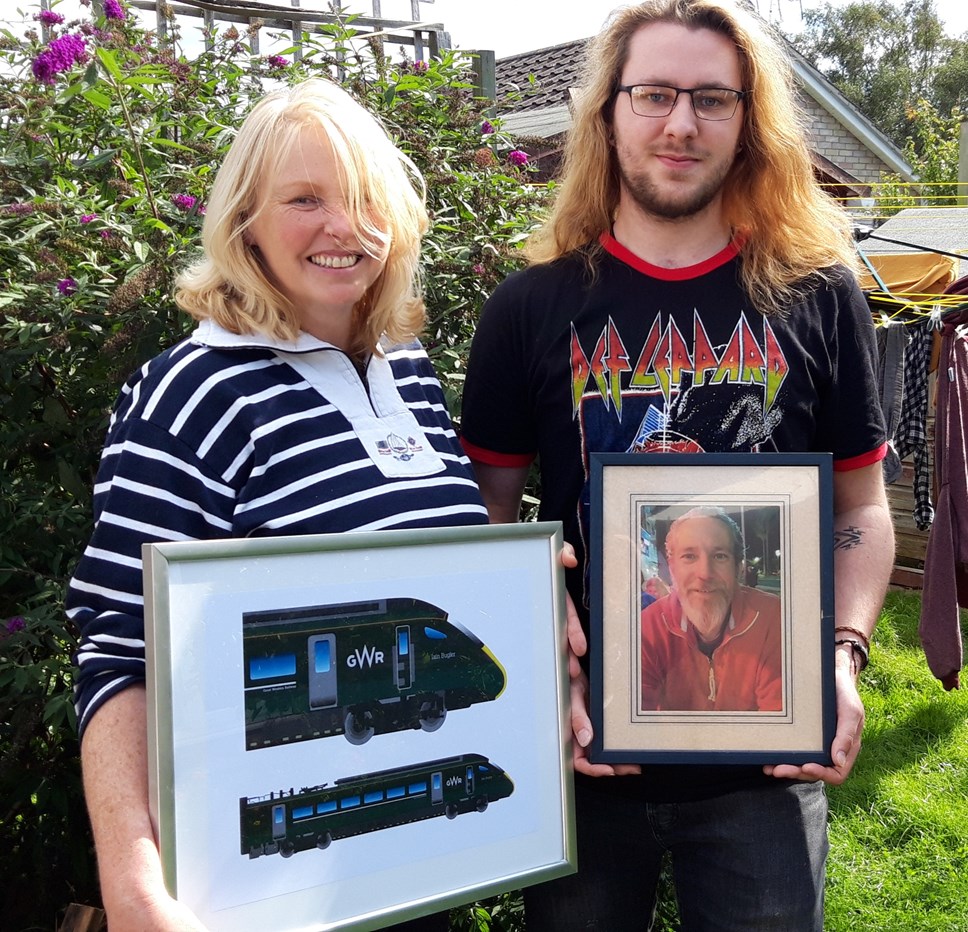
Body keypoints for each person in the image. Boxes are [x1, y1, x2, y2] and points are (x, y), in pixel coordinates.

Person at [459, 1, 894, 928]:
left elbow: (862, 505)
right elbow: (486, 519)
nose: (681, 124)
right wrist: (546, 660)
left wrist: (843, 658)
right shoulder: (528, 308)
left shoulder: (817, 297)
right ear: (608, 115)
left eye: (712, 99)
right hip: (583, 756)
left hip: (767, 767)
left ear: (749, 125)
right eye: (654, 95)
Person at [66, 78, 489, 932]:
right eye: (305, 199)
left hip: (410, 854)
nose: (344, 227)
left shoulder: (406, 370)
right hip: (272, 874)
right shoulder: (195, 390)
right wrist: (136, 883)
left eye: (367, 199)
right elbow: (118, 645)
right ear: (245, 221)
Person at [641, 507, 782, 712]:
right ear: (672, 568)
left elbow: (780, 724)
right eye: (689, 556)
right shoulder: (647, 627)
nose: (705, 573)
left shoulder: (773, 618)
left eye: (720, 556)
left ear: (738, 568)